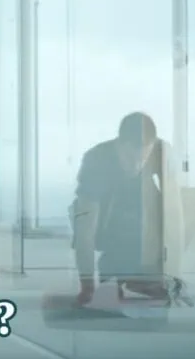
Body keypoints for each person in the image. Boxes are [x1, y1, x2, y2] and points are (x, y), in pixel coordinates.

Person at [70, 112, 187, 307]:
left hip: (145, 223)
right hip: (108, 224)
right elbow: (85, 228)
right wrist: (87, 285)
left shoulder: (162, 151)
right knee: (84, 214)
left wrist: (172, 277)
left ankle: (146, 272)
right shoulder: (96, 159)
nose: (135, 166)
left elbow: (174, 215)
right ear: (119, 145)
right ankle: (118, 267)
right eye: (129, 158)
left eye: (142, 160)